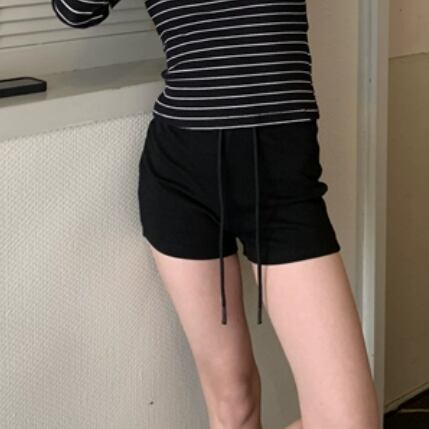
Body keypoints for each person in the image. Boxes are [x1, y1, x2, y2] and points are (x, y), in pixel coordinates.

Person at [51, 1, 381, 428]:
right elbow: (76, 10)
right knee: (233, 402)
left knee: (348, 420)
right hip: (182, 178)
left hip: (283, 181)